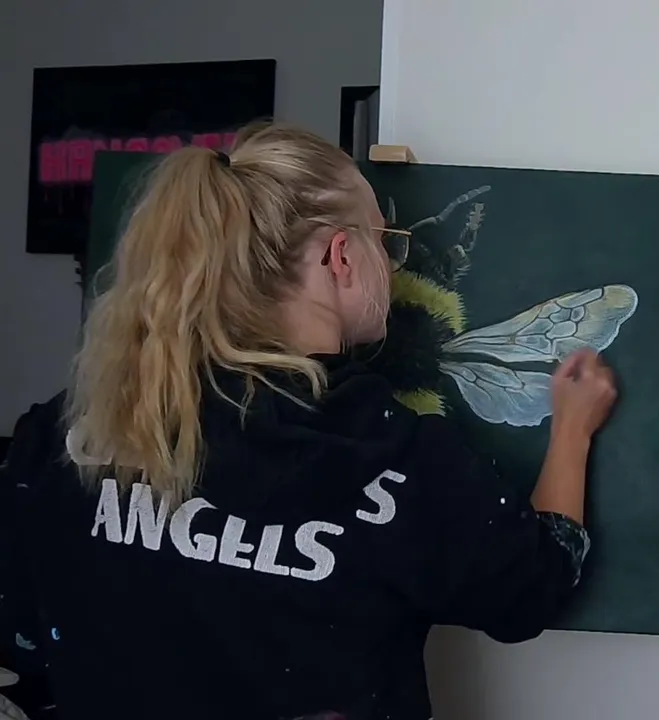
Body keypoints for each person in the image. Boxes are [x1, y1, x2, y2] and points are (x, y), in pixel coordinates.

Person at [0, 123, 618, 720]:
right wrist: (571, 430)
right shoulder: (391, 460)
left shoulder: (71, 431)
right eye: (385, 240)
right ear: (339, 256)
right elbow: (529, 589)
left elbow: (22, 634)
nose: (391, 265)